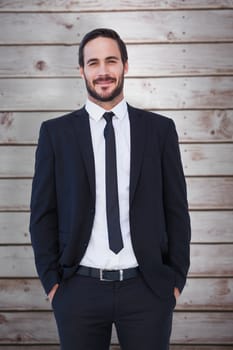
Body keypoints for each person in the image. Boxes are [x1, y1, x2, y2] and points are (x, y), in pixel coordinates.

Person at [30, 28, 191, 350]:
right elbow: (43, 214)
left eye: (111, 61)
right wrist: (53, 283)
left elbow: (176, 210)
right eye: (93, 63)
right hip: (78, 291)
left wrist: (174, 280)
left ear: (125, 66)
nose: (103, 71)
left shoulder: (159, 131)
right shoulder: (55, 134)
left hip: (147, 290)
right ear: (82, 70)